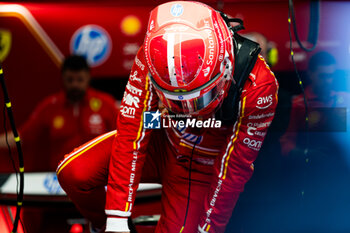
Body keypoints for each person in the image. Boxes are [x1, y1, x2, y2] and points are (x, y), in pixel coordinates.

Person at [57, 2, 278, 233]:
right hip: (161, 141)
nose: (188, 109)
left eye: (197, 100)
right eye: (175, 100)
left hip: (201, 168)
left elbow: (233, 169)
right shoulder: (151, 57)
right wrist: (115, 221)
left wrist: (209, 227)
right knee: (73, 173)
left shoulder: (259, 84)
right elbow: (132, 130)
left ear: (224, 69)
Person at [0, 55, 119, 172]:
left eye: (80, 80)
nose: (75, 85)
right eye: (70, 80)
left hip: (99, 176)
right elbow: (22, 137)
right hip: (59, 179)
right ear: (62, 78)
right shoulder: (50, 106)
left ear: (88, 77)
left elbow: (122, 138)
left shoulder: (106, 103)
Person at [280, 51, 350, 232]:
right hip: (310, 179)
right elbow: (286, 143)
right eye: (323, 76)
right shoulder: (299, 103)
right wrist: (305, 154)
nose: (328, 81)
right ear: (311, 74)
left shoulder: (345, 99)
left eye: (332, 76)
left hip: (340, 179)